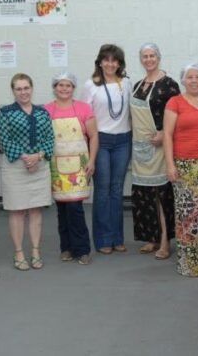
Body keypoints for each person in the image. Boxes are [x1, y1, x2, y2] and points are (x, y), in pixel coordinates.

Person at [0, 74, 55, 271]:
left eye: (26, 88)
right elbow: (5, 140)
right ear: (13, 91)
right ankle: (19, 252)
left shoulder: (42, 112)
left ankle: (36, 251)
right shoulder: (5, 113)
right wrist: (25, 158)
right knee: (17, 210)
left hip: (39, 165)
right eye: (19, 89)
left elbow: (50, 139)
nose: (23, 92)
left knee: (36, 210)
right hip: (15, 167)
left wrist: (37, 157)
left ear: (32, 88)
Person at [164, 63, 198, 277]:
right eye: (190, 77)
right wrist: (170, 165)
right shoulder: (175, 102)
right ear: (183, 80)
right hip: (184, 166)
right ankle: (189, 265)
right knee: (187, 217)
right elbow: (167, 134)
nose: (194, 80)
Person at [130, 43, 180, 260]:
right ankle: (152, 237)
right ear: (141, 60)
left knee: (161, 196)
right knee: (144, 195)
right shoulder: (137, 85)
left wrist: (162, 133)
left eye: (152, 56)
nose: (149, 59)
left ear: (159, 58)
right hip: (140, 146)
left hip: (159, 145)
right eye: (145, 56)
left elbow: (179, 112)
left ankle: (165, 242)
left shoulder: (169, 85)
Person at [82, 44, 132, 254]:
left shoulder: (127, 83)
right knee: (102, 191)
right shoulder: (90, 85)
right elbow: (86, 116)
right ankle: (103, 240)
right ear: (100, 62)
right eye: (106, 60)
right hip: (100, 141)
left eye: (115, 60)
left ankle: (117, 238)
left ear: (119, 63)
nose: (110, 64)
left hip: (123, 140)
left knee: (116, 190)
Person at [44, 72, 98, 266]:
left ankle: (82, 250)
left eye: (68, 85)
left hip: (79, 167)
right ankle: (66, 248)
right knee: (61, 209)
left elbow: (93, 136)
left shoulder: (84, 108)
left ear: (73, 88)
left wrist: (91, 161)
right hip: (56, 167)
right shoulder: (46, 110)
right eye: (60, 85)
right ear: (54, 87)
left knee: (75, 208)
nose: (64, 89)